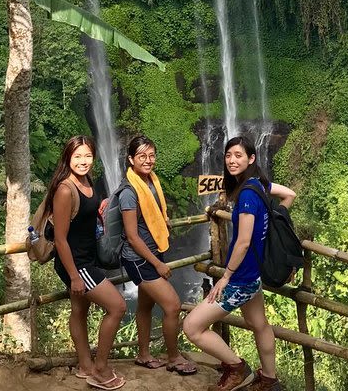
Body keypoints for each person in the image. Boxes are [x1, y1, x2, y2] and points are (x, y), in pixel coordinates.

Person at [183, 136, 296, 391]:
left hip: (241, 278)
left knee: (192, 326)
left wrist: (225, 276)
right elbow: (290, 194)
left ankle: (236, 367)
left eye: (239, 155)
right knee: (259, 325)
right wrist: (278, 215)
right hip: (255, 274)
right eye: (228, 155)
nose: (232, 160)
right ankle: (268, 379)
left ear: (251, 158)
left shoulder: (246, 195)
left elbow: (243, 242)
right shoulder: (259, 185)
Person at [47, 135, 126, 391]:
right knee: (117, 307)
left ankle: (84, 365)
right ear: (68, 157)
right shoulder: (65, 189)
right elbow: (60, 239)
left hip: (86, 257)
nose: (83, 161)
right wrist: (74, 276)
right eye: (78, 156)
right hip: (76, 263)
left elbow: (83, 216)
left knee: (79, 310)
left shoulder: (86, 181)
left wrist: (99, 208)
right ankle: (100, 370)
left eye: (88, 156)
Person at [118, 135, 197, 375]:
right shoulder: (129, 192)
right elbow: (132, 236)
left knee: (145, 305)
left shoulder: (151, 181)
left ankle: (143, 355)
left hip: (152, 251)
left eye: (152, 155)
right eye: (142, 156)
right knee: (172, 306)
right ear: (131, 159)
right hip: (139, 258)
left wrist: (163, 221)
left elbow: (151, 215)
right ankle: (173, 358)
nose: (148, 160)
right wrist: (158, 265)